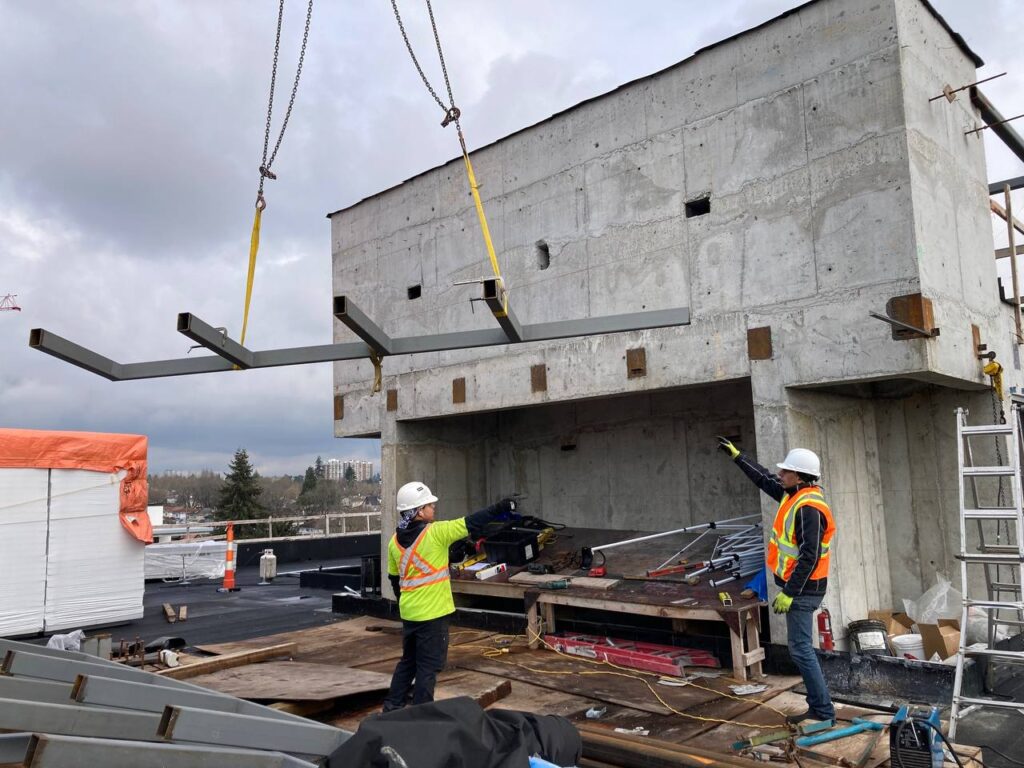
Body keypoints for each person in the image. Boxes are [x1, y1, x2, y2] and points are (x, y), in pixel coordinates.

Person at [717, 437, 837, 725]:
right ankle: (820, 707)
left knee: (800, 649)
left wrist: (790, 593)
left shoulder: (809, 507)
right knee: (801, 649)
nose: (780, 475)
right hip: (798, 588)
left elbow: (808, 556)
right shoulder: (793, 495)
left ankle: (823, 711)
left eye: (786, 471)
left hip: (804, 589)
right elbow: (766, 480)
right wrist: (739, 457)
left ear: (800, 475)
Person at [383, 481, 516, 712]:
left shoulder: (394, 541)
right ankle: (422, 715)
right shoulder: (437, 532)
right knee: (428, 667)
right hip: (433, 613)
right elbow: (472, 521)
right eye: (430, 505)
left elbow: (395, 580)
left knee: (409, 662)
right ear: (420, 511)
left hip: (410, 613)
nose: (434, 508)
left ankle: (392, 707)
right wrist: (500, 507)